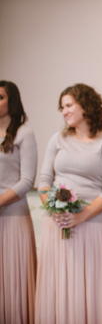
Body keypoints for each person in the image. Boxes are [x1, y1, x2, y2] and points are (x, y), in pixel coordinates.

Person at [36, 83, 102, 323]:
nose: (63, 112)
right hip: (56, 223)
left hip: (91, 225)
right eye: (61, 107)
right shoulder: (58, 139)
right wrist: (52, 210)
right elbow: (44, 180)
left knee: (87, 287)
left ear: (85, 105)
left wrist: (81, 216)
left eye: (68, 105)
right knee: (58, 286)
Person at [0, 81, 37, 323]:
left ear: (11, 101)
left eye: (0, 97)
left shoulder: (24, 132)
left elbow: (27, 181)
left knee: (13, 283)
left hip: (13, 218)